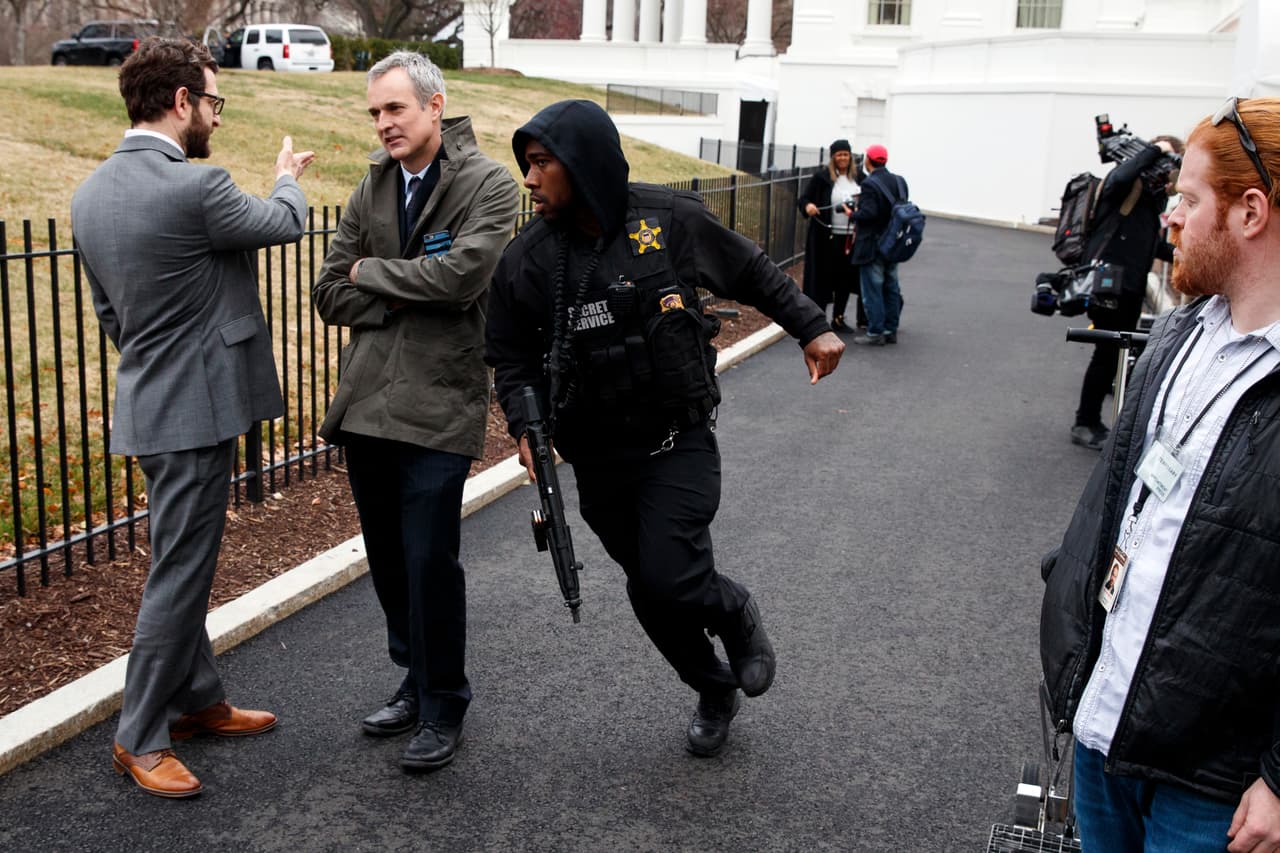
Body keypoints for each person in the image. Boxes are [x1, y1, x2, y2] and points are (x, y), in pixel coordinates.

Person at [485, 100, 845, 758]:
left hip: (676, 442)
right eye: (526, 166)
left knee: (670, 575)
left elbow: (750, 269)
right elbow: (508, 356)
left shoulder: (666, 220)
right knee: (649, 585)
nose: (529, 180)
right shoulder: (527, 262)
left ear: (584, 163)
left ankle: (732, 607)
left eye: (542, 164)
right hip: (597, 458)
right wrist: (522, 426)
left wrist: (811, 325)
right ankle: (712, 687)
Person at [70, 37, 315, 798]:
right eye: (212, 102)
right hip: (196, 413)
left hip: (151, 404)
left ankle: (197, 698)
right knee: (177, 573)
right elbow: (283, 223)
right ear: (181, 102)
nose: (213, 115)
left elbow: (115, 315)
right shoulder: (197, 188)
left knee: (181, 561)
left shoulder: (88, 195)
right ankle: (139, 734)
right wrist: (287, 177)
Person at [1040, 97, 1280, 852]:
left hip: (1215, 787)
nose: (1170, 217)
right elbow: (1126, 497)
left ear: (1250, 212)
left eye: (1188, 198)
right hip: (1104, 727)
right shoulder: (1179, 331)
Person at [312, 51, 518, 773]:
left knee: (431, 558)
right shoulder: (371, 186)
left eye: (395, 109)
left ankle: (445, 699)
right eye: (375, 112)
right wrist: (402, 286)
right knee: (390, 559)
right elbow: (329, 290)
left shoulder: (489, 183)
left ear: (435, 106)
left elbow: (464, 277)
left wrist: (376, 273)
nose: (384, 124)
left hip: (440, 400)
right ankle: (413, 674)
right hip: (368, 400)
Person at [1070, 133, 1184, 451]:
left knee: (1116, 351)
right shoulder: (1123, 186)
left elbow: (1147, 245)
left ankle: (1096, 416)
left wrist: (1182, 253)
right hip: (1109, 283)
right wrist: (1155, 150)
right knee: (1106, 351)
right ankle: (1085, 422)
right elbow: (1121, 175)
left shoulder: (1149, 198)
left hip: (1130, 286)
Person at [799, 139, 866, 331]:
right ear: (833, 157)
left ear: (850, 156)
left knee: (845, 278)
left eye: (846, 154)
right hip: (826, 237)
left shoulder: (860, 178)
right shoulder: (822, 178)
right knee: (824, 278)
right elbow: (803, 199)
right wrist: (808, 207)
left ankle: (838, 317)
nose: (843, 158)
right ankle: (818, 319)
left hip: (850, 237)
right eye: (839, 155)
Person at [849, 144, 906, 346]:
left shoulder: (870, 184)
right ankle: (891, 329)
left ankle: (875, 331)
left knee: (873, 289)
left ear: (868, 160)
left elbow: (869, 214)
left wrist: (852, 213)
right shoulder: (899, 182)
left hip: (873, 245)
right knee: (891, 287)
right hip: (893, 243)